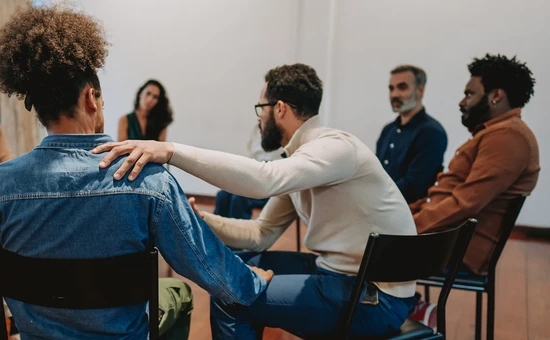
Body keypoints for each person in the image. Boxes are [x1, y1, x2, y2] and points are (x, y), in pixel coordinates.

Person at [0, 5, 269, 339]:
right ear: (91, 98)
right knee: (179, 294)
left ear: (39, 111)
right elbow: (209, 268)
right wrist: (253, 280)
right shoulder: (146, 178)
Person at [94, 64, 418, 338]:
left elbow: (263, 180)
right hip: (343, 276)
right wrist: (202, 220)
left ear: (279, 108)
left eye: (260, 108)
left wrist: (172, 151)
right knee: (237, 274)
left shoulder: (334, 147)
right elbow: (261, 233)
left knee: (231, 295)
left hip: (375, 298)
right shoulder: (306, 156)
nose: (259, 118)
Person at [408, 54, 540, 326]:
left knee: (357, 248)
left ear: (496, 96)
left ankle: (399, 311)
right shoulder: (496, 133)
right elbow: (450, 195)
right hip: (445, 239)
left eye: (469, 93)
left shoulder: (508, 138)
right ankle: (406, 308)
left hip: (455, 250)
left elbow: (464, 204)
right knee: (359, 237)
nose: (462, 101)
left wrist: (405, 228)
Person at [376, 65, 448, 203]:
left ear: (420, 90)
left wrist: (375, 198)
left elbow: (415, 186)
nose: (394, 94)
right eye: (391, 88)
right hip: (381, 208)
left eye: (402, 87)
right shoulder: (388, 130)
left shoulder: (431, 132)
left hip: (411, 215)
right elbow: (376, 174)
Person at [215, 126, 284, 219]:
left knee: (239, 198)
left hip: (272, 186)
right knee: (223, 195)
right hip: (256, 177)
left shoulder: (283, 132)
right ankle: (214, 232)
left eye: (263, 110)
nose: (259, 116)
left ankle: (236, 232)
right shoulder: (258, 130)